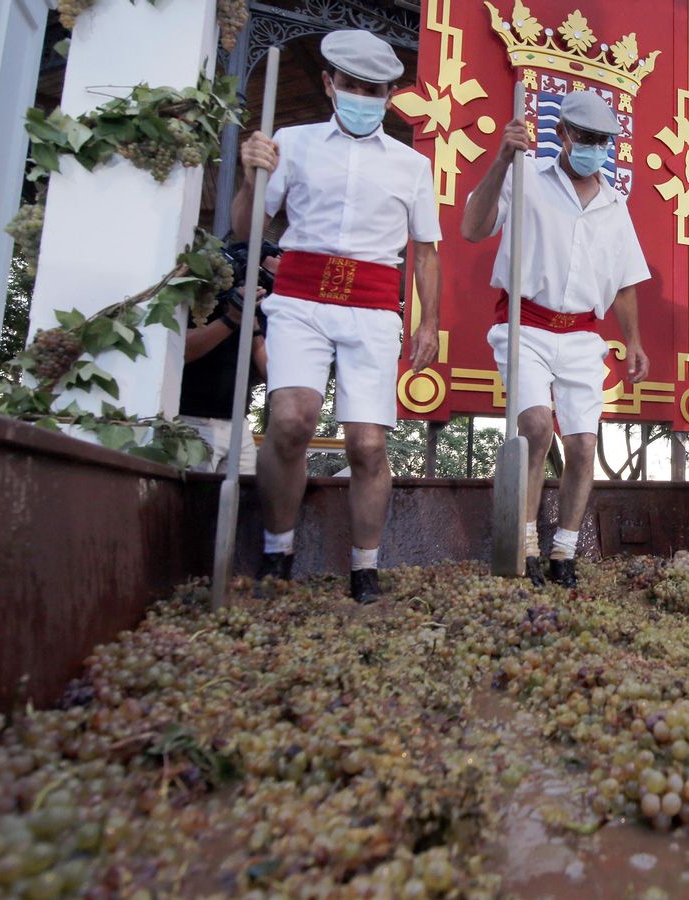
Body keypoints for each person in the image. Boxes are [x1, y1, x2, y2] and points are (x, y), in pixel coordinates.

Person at [232, 30, 443, 603]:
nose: (360, 96)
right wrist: (252, 173)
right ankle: (278, 551)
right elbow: (246, 228)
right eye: (350, 85)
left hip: (372, 306)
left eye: (372, 89)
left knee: (368, 445)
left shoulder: (410, 165)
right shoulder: (290, 143)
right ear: (329, 84)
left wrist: (429, 324)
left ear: (390, 95)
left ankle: (364, 567)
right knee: (292, 420)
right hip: (300, 299)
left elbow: (425, 250)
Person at [461, 91, 650, 587]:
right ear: (562, 134)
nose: (593, 147)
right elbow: (472, 227)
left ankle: (563, 551)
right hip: (525, 325)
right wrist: (502, 160)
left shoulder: (614, 204)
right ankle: (521, 543)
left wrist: (633, 341)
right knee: (537, 426)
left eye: (603, 140)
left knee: (584, 443)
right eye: (584, 137)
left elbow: (626, 281)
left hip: (583, 333)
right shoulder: (525, 177)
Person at [177, 242, 278, 474]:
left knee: (241, 504)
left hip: (238, 426)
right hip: (190, 420)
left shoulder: (266, 307)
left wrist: (251, 324)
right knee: (192, 502)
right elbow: (179, 350)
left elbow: (272, 375)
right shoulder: (203, 294)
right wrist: (230, 319)